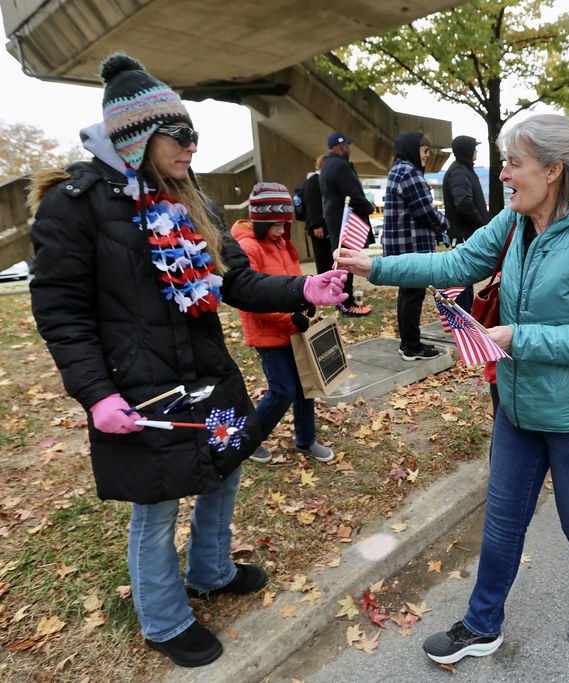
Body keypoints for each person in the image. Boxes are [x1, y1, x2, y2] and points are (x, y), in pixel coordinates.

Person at [26, 54, 350, 668]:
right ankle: (165, 619)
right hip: (140, 388)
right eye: (182, 137)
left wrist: (305, 289)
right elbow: (61, 312)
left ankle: (212, 570)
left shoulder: (188, 196)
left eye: (194, 136)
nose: (194, 148)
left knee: (225, 470)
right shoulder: (76, 204)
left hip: (207, 374)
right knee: (157, 504)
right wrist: (96, 395)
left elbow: (239, 281)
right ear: (138, 137)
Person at [335, 114, 569, 661]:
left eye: (513, 163)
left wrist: (517, 336)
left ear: (553, 170)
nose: (502, 175)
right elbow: (455, 261)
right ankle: (482, 625)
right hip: (518, 413)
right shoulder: (514, 222)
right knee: (501, 523)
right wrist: (372, 266)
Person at [231, 182, 336, 465]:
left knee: (306, 384)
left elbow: (293, 280)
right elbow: (253, 298)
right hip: (269, 335)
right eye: (275, 224)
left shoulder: (283, 244)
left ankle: (305, 439)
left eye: (284, 224)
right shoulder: (248, 248)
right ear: (260, 220)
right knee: (283, 390)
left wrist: (306, 300)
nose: (280, 230)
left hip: (294, 330)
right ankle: (249, 439)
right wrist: (291, 316)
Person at [382, 131, 450, 361]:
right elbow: (425, 211)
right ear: (413, 149)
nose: (427, 155)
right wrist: (444, 224)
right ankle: (411, 346)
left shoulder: (398, 169)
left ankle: (408, 343)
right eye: (424, 150)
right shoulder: (409, 172)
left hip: (401, 245)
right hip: (411, 245)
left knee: (408, 294)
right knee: (413, 295)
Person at [320, 132, 373, 316]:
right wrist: (369, 207)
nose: (349, 149)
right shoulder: (340, 166)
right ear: (342, 146)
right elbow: (354, 195)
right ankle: (346, 303)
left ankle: (343, 300)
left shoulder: (327, 165)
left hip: (335, 219)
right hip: (345, 221)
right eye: (348, 145)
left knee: (341, 262)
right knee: (345, 263)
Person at [442, 134, 489, 311]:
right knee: (462, 281)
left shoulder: (464, 170)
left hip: (467, 233)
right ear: (467, 150)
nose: (476, 150)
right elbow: (463, 203)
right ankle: (463, 321)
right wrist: (482, 226)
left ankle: (466, 316)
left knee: (466, 280)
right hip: (464, 234)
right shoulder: (459, 172)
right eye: (474, 147)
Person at [302, 154, 334, 274]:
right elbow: (312, 204)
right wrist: (316, 225)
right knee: (323, 259)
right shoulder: (314, 181)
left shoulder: (321, 180)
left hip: (323, 227)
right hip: (319, 228)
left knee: (327, 259)